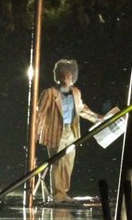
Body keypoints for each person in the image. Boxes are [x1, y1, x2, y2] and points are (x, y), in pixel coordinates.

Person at [35, 59, 102, 203]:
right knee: (58, 163)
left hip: (71, 132)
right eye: (64, 76)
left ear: (73, 78)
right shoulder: (49, 93)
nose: (67, 79)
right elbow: (38, 114)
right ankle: (57, 194)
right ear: (58, 77)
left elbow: (82, 109)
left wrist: (99, 118)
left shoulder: (76, 92)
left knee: (68, 163)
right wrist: (34, 135)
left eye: (69, 76)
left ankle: (63, 193)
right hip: (54, 132)